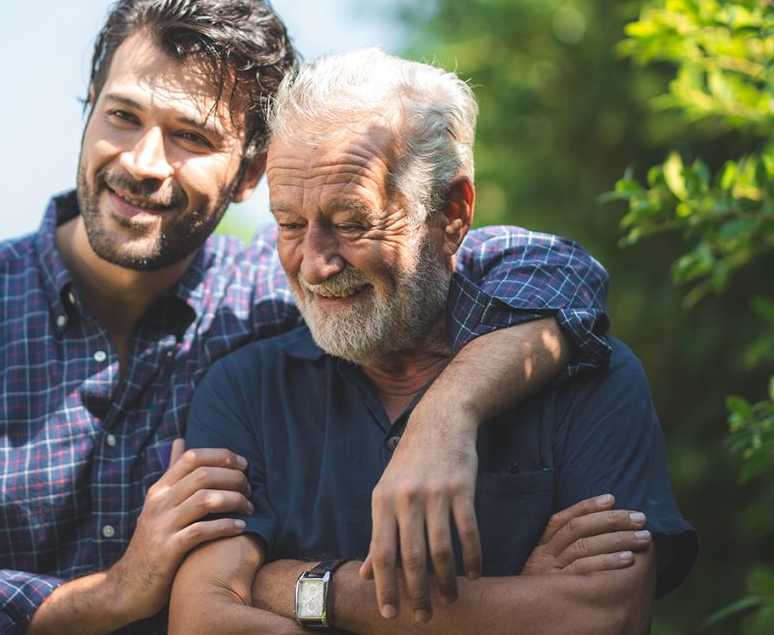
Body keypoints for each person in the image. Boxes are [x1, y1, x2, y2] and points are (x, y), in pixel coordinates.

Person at [0, 0, 611, 635]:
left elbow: (553, 272)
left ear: (253, 172)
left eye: (191, 137)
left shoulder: (284, 295)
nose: (144, 162)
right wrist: (112, 593)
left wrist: (449, 414)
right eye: (122, 116)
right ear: (88, 109)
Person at [171, 48, 697, 634]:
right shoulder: (247, 390)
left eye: (351, 223)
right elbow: (202, 621)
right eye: (289, 224)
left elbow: (603, 618)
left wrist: (292, 584)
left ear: (451, 212)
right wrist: (518, 601)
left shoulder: (587, 380)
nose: (315, 264)